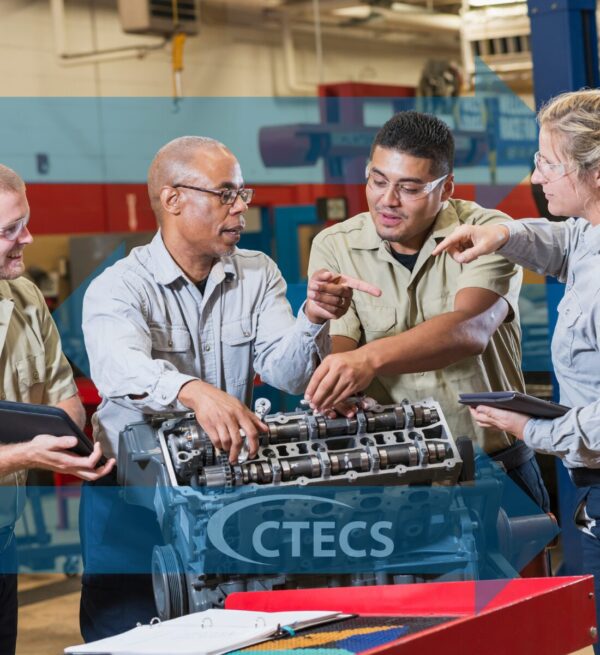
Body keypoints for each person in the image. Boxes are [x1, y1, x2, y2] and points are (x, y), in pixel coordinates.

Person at [80, 136, 380, 641]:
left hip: (222, 488)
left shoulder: (256, 273)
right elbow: (117, 368)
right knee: (126, 635)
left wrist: (313, 316)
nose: (242, 206)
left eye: (243, 192)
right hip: (131, 502)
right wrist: (195, 390)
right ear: (173, 199)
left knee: (234, 629)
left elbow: (284, 371)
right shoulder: (119, 287)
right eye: (226, 194)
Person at [305, 110, 549, 512]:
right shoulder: (336, 246)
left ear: (446, 188)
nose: (387, 200)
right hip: (395, 475)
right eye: (377, 181)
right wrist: (337, 372)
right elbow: (342, 354)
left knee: (522, 576)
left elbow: (469, 329)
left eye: (410, 188)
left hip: (494, 468)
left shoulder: (488, 231)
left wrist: (366, 359)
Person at [433, 88, 600, 652]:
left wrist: (531, 430)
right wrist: (501, 232)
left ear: (594, 171)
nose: (536, 175)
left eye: (547, 162)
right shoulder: (590, 234)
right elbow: (563, 242)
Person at [0, 164, 114, 655]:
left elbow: (65, 399)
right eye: (10, 229)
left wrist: (78, 443)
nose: (29, 237)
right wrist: (28, 454)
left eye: (25, 221)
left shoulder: (25, 298)